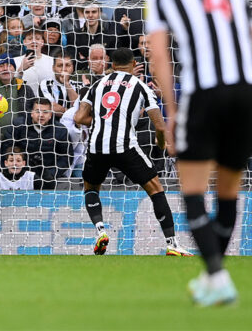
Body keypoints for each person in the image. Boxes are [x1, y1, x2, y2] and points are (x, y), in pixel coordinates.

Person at [148, 0, 252, 305]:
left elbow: (159, 55)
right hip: (246, 92)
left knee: (194, 191)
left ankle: (216, 274)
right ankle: (212, 278)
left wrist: (171, 112)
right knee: (227, 193)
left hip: (204, 93)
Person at [73, 48, 192, 257]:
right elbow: (160, 127)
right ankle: (172, 243)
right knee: (155, 188)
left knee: (91, 187)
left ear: (111, 63)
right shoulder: (141, 86)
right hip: (124, 145)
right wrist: (162, 145)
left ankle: (100, 230)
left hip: (96, 145)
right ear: (133, 63)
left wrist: (103, 122)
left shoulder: (96, 84)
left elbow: (79, 118)